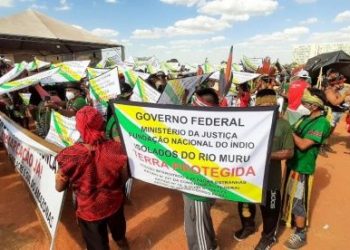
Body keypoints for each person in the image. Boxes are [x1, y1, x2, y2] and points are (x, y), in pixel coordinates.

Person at [55, 106, 129, 250]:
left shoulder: (68, 156)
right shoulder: (116, 148)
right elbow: (124, 177)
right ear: (101, 123)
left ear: (79, 127)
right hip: (114, 203)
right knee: (120, 236)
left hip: (89, 211)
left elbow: (59, 187)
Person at [234, 89, 294, 250]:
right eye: (263, 105)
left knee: (270, 209)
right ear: (257, 106)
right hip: (248, 176)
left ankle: (268, 237)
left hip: (270, 178)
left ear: (275, 105)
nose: (268, 108)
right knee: (244, 204)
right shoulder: (248, 122)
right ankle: (248, 226)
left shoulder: (283, 125)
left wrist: (264, 155)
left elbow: (289, 152)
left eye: (271, 105)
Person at [282, 88, 331, 249]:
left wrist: (288, 129)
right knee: (288, 195)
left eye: (307, 101)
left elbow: (303, 145)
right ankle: (288, 220)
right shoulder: (304, 117)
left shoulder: (322, 123)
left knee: (297, 200)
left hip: (303, 167)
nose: (304, 103)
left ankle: (301, 233)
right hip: (292, 163)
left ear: (315, 105)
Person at [183, 88, 219, 250]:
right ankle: (212, 243)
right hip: (197, 184)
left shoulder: (203, 132)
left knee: (197, 228)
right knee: (201, 222)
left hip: (197, 188)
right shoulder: (214, 126)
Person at [323, 75, 350, 153]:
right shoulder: (329, 91)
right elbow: (335, 102)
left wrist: (346, 100)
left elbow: (341, 101)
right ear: (335, 83)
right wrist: (345, 94)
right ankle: (321, 145)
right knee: (326, 130)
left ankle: (325, 144)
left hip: (337, 113)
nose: (343, 85)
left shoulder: (336, 91)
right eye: (341, 83)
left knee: (330, 130)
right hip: (331, 113)